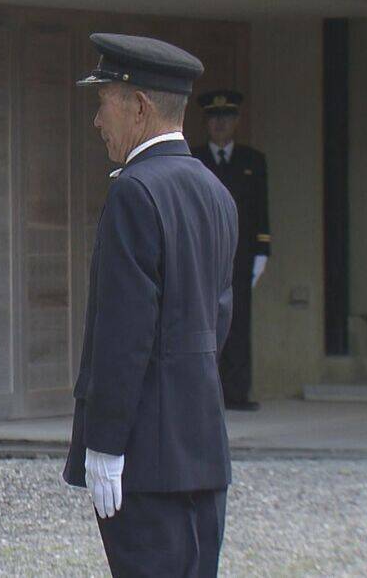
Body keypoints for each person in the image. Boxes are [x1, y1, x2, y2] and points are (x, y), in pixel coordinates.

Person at [63, 33, 238, 577]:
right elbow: (218, 320)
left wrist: (106, 442)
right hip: (200, 447)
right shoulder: (215, 190)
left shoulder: (134, 192)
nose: (98, 121)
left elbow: (123, 332)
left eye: (104, 102)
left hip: (144, 456)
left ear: (138, 106)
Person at [192, 90, 270, 411]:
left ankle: (237, 391)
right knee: (204, 323)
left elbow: (260, 209)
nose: (220, 124)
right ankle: (207, 395)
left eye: (226, 118)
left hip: (241, 253)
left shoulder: (252, 161)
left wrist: (264, 249)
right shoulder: (194, 160)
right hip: (204, 253)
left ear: (236, 121)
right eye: (214, 118)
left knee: (238, 323)